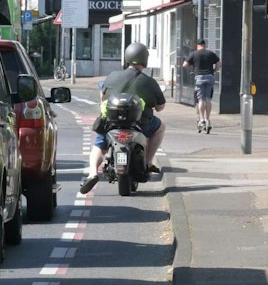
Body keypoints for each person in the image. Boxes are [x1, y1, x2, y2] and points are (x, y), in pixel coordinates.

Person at [80, 42, 167, 194]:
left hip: (111, 123)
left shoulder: (112, 76)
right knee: (160, 127)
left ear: (127, 58)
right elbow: (160, 106)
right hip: (140, 124)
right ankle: (147, 162)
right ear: (145, 60)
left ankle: (93, 172)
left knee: (100, 144)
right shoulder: (149, 82)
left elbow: (102, 96)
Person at [184, 40, 221, 134]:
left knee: (201, 99)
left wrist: (192, 70)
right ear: (205, 45)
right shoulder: (210, 53)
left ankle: (201, 119)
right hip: (209, 77)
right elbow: (219, 63)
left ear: (197, 45)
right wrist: (214, 70)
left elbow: (185, 65)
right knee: (208, 98)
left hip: (199, 77)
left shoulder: (194, 54)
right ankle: (208, 119)